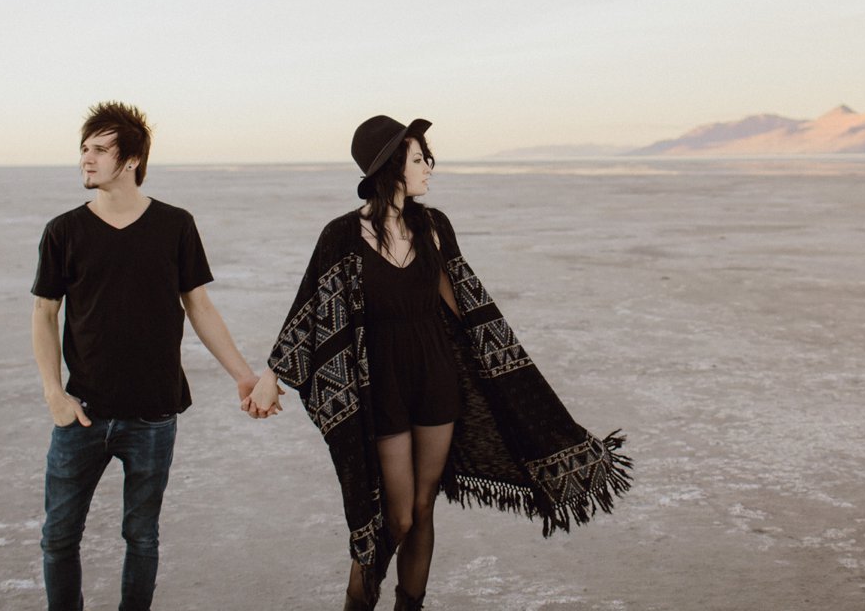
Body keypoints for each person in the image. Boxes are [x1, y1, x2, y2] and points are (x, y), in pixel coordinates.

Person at [248, 115, 632, 611]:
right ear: (390, 167)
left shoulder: (432, 227)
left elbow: (467, 304)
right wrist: (272, 376)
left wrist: (510, 378)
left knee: (425, 508)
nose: (429, 166)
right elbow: (310, 310)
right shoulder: (341, 236)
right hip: (379, 384)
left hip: (434, 379)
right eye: (417, 158)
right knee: (397, 517)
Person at [31, 101, 267, 611]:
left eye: (99, 150)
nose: (85, 160)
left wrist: (244, 376)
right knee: (58, 538)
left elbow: (199, 306)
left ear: (132, 159)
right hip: (81, 413)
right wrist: (53, 392)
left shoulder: (174, 225)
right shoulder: (64, 231)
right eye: (83, 149)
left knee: (141, 538)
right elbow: (44, 314)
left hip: (154, 414)